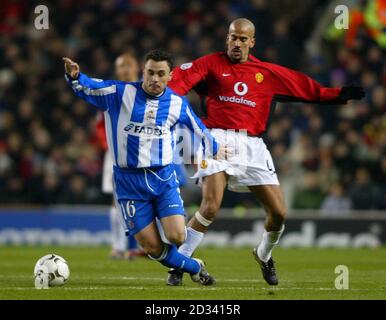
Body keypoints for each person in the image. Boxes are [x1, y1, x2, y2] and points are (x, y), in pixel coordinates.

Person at [166, 18, 365, 286]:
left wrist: (339, 94)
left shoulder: (267, 73)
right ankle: (179, 263)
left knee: (279, 213)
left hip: (253, 146)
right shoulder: (210, 64)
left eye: (242, 39)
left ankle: (264, 254)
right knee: (211, 206)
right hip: (216, 140)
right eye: (233, 37)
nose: (237, 43)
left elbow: (306, 88)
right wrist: (160, 97)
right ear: (227, 39)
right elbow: (178, 81)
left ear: (252, 42)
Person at [63, 49, 222, 285]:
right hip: (128, 182)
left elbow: (199, 129)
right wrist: (76, 77)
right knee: (151, 247)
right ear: (143, 72)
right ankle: (194, 266)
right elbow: (89, 87)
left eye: (160, 74)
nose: (154, 79)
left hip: (163, 178)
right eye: (150, 73)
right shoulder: (119, 93)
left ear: (169, 77)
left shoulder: (177, 103)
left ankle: (179, 261)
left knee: (177, 235)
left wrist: (215, 147)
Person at [94, 52, 146, 260]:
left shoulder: (146, 91)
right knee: (117, 201)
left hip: (142, 152)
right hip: (116, 155)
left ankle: (138, 245)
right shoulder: (110, 92)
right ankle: (118, 246)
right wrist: (110, 144)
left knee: (143, 199)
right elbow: (100, 125)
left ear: (138, 67)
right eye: (121, 66)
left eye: (128, 65)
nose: (124, 69)